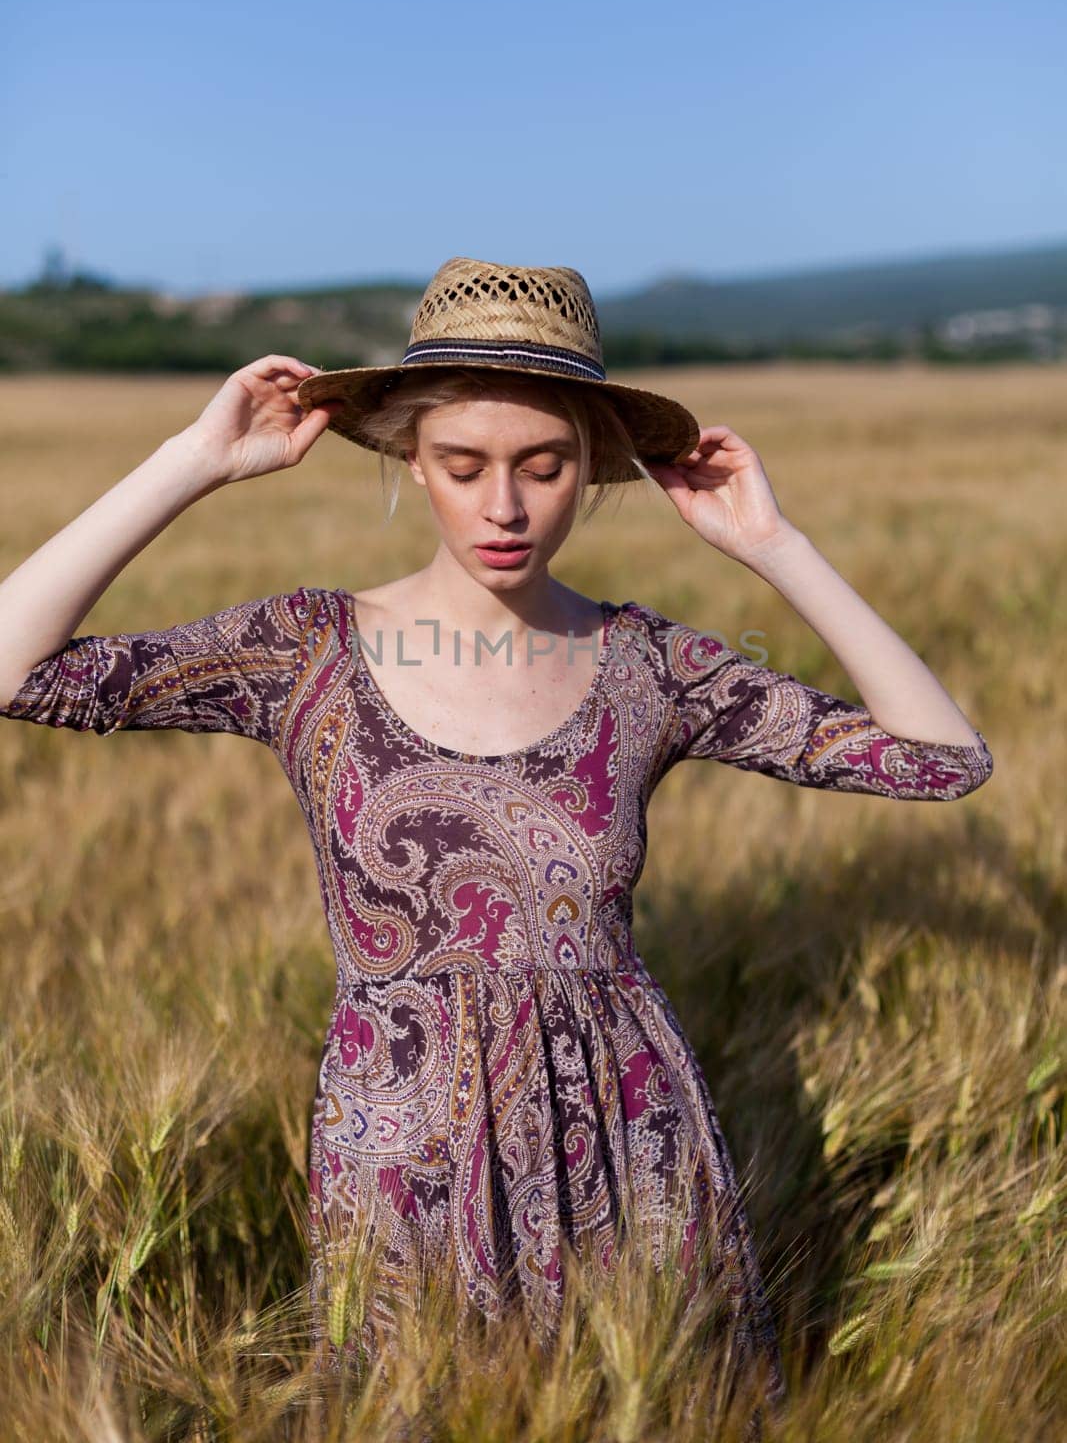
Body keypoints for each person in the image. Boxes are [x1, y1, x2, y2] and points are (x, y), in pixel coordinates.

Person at [0, 256, 992, 1436]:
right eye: (464, 467)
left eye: (545, 466)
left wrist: (773, 547)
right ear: (410, 461)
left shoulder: (652, 665)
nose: (504, 508)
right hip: (400, 1153)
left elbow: (940, 759)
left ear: (596, 469)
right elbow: (15, 670)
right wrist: (192, 464)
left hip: (632, 1145)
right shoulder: (304, 648)